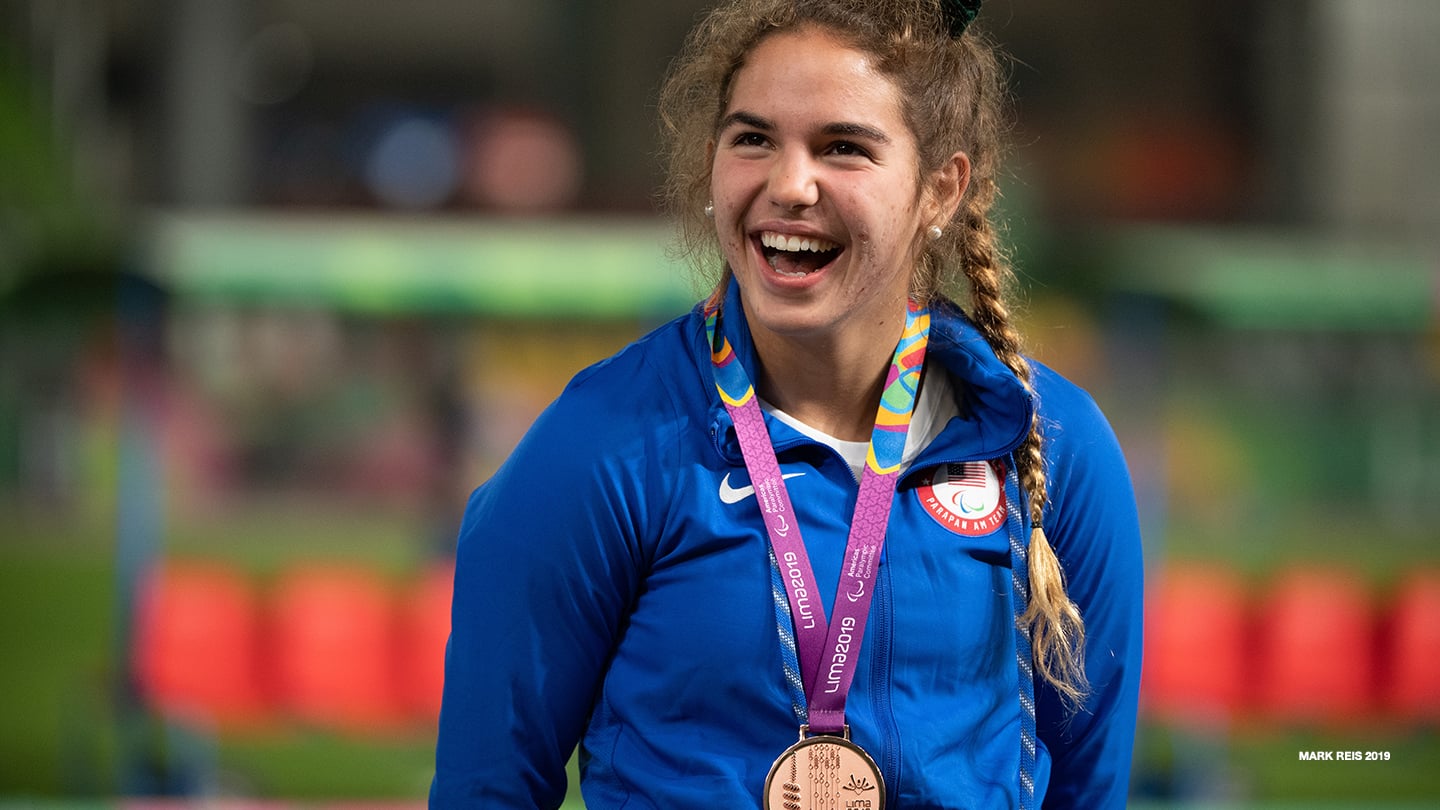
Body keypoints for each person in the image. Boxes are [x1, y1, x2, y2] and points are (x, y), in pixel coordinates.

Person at [430, 0, 1143, 807]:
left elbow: (1090, 789)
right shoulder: (601, 444)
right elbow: (485, 789)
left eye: (844, 148)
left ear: (940, 189)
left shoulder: (1053, 446)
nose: (789, 185)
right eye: (753, 140)